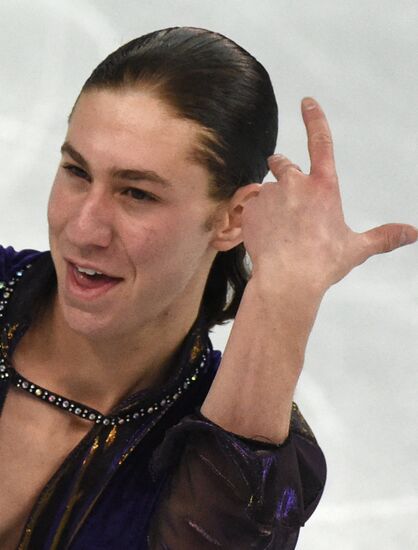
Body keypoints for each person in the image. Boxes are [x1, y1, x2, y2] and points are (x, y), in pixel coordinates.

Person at [0, 26, 415, 550]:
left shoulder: (222, 446)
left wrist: (284, 295)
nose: (84, 229)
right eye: (77, 172)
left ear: (233, 217)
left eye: (137, 193)